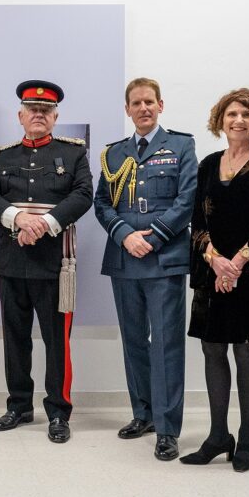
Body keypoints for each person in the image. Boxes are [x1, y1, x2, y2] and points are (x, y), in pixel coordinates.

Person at [180, 89, 249, 472]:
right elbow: (198, 220)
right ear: (220, 120)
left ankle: (246, 438)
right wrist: (214, 260)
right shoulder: (209, 163)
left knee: (245, 350)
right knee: (212, 350)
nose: (238, 120)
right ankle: (216, 435)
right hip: (213, 272)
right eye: (231, 114)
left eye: (246, 114)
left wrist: (238, 263)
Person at [0, 80, 93, 444]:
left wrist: (43, 223)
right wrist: (18, 218)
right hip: (12, 260)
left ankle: (58, 412)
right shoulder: (3, 157)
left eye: (45, 111)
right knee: (15, 339)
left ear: (55, 117)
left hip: (55, 263)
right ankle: (19, 406)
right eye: (32, 110)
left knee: (56, 341)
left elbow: (83, 195)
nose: (39, 115)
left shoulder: (73, 154)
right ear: (21, 116)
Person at [94, 77, 197, 461]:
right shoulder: (114, 154)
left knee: (167, 345)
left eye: (149, 102)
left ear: (161, 105)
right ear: (127, 109)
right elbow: (102, 203)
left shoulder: (181, 145)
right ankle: (144, 414)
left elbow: (187, 199)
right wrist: (124, 235)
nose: (143, 108)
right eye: (136, 103)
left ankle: (168, 429)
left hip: (164, 257)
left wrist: (150, 238)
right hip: (124, 258)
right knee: (134, 340)